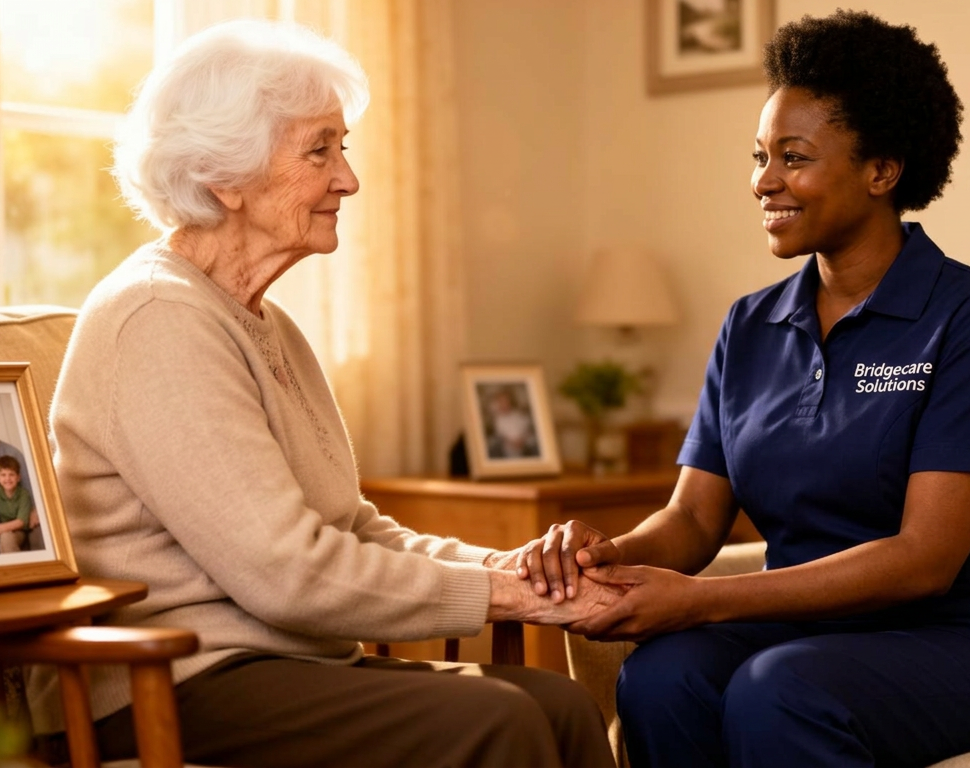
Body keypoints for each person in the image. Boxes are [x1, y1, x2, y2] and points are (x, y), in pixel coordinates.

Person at [502, 11, 970, 767]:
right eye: (759, 156)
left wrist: (702, 600)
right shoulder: (750, 326)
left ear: (882, 171)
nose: (763, 181)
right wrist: (606, 555)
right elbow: (692, 519)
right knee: (661, 676)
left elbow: (922, 560)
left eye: (794, 157)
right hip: (815, 636)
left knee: (779, 688)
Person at [32, 19, 615, 768]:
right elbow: (289, 572)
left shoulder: (263, 321)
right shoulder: (157, 318)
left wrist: (514, 569)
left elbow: (351, 528)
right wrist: (514, 601)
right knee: (496, 719)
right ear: (225, 178)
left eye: (343, 148)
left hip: (285, 663)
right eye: (320, 150)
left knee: (560, 706)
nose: (348, 178)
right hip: (172, 681)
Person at [0, 455, 35, 553]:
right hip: (2, 531)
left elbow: (21, 522)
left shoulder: (24, 495)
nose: (8, 478)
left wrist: (2, 528)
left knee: (5, 538)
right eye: (3, 475)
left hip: (19, 531)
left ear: (18, 478)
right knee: (2, 540)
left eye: (11, 474)